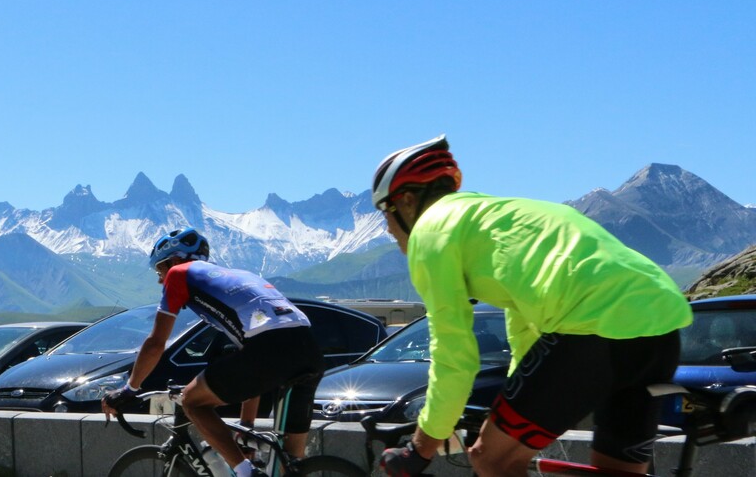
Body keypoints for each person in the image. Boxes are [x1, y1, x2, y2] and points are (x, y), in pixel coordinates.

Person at [372, 135, 692, 477]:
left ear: (406, 201)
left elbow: (454, 357)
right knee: (620, 471)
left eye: (385, 212)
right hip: (661, 326)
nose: (388, 228)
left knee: (492, 459)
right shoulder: (500, 218)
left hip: (590, 329)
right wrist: (509, 400)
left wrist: (420, 448)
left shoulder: (431, 232)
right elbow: (524, 327)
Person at [101, 228, 324, 477]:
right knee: (291, 464)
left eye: (159, 270)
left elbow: (156, 343)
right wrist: (246, 426)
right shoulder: (240, 277)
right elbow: (253, 354)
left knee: (191, 402)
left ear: (174, 261)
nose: (160, 280)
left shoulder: (179, 273)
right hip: (309, 350)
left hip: (270, 348)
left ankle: (245, 473)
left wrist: (129, 389)